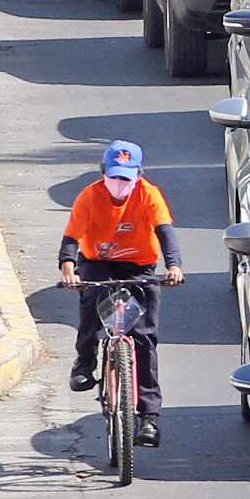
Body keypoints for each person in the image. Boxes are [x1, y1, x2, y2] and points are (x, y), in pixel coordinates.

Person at [59, 141, 183, 446]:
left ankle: (149, 417)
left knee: (143, 337)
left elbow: (165, 231)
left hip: (138, 267)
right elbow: (72, 237)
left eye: (126, 179)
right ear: (103, 173)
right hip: (98, 263)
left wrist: (174, 266)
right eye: (114, 177)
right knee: (90, 304)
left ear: (138, 176)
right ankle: (84, 362)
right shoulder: (89, 196)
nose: (119, 185)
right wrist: (68, 267)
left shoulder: (148, 195)